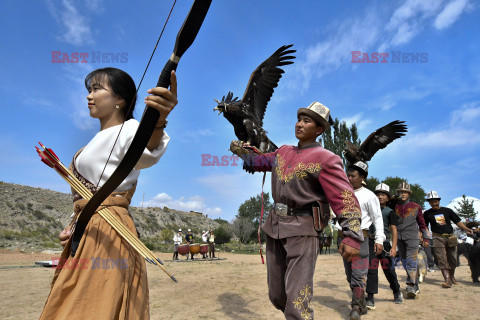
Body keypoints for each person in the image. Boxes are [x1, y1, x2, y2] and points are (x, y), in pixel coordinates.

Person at [40, 67, 178, 320]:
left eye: (96, 89)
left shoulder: (130, 129)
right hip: (86, 232)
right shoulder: (89, 144)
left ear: (120, 99)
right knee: (72, 302)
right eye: (88, 90)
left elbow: (147, 150)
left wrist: (158, 121)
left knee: (96, 306)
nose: (89, 96)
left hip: (110, 232)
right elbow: (84, 199)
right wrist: (72, 227)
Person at [230, 102, 363, 320]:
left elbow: (345, 198)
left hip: (303, 229)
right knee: (277, 295)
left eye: (307, 121)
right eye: (299, 119)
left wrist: (353, 237)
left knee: (297, 301)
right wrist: (242, 153)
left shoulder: (327, 159)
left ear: (319, 129)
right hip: (275, 227)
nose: (299, 124)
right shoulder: (282, 152)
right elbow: (259, 162)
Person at [343, 162, 385, 318]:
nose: (349, 178)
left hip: (362, 240)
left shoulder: (369, 196)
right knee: (350, 275)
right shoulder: (343, 194)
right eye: (348, 175)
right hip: (345, 240)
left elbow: (378, 219)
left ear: (362, 177)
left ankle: (356, 307)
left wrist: (379, 239)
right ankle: (361, 304)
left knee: (359, 274)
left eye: (352, 176)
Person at [423, 191, 473, 287]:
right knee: (442, 258)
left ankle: (452, 276)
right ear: (429, 202)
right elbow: (424, 225)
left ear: (439, 201)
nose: (434, 203)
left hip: (450, 237)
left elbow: (457, 221)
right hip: (437, 237)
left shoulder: (447, 211)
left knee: (453, 258)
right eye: (432, 201)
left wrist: (466, 229)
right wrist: (426, 234)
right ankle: (447, 280)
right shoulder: (427, 213)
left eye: (436, 201)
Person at [366, 183, 403, 306]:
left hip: (385, 244)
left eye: (383, 194)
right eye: (377, 194)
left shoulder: (389, 212)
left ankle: (397, 291)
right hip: (370, 242)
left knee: (388, 270)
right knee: (371, 269)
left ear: (388, 198)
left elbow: (394, 230)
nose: (380, 197)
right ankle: (370, 297)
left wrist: (393, 247)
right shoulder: (368, 210)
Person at [394, 182, 429, 299]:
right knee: (404, 262)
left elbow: (422, 224)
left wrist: (425, 238)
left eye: (405, 192)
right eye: (400, 192)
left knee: (410, 260)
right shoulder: (394, 206)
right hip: (399, 237)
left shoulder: (416, 206)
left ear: (409, 194)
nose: (403, 194)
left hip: (412, 237)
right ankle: (416, 285)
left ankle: (410, 285)